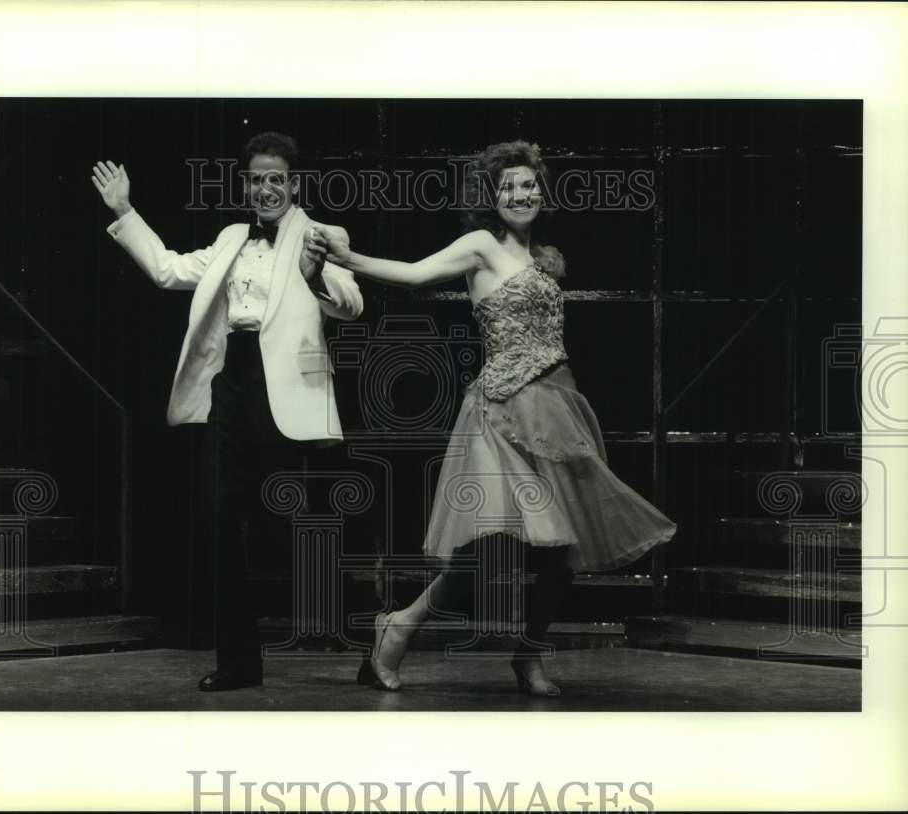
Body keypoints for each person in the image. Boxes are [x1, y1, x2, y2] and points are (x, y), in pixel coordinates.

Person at [305, 140, 676, 697]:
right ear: (492, 198)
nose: (520, 194)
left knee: (561, 555)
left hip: (557, 411)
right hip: (500, 414)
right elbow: (414, 273)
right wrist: (345, 258)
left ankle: (529, 656)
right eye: (508, 187)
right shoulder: (481, 246)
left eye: (528, 185)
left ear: (542, 192)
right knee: (485, 550)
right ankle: (398, 626)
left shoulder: (545, 258)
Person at [92, 131, 363, 691]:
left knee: (296, 527)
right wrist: (124, 210)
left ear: (293, 185)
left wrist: (315, 276)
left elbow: (351, 304)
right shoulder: (231, 237)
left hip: (287, 390)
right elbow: (168, 271)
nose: (266, 189)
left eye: (276, 179)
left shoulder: (319, 235)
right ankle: (239, 661)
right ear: (245, 186)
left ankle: (369, 639)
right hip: (232, 382)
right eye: (256, 180)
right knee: (218, 518)